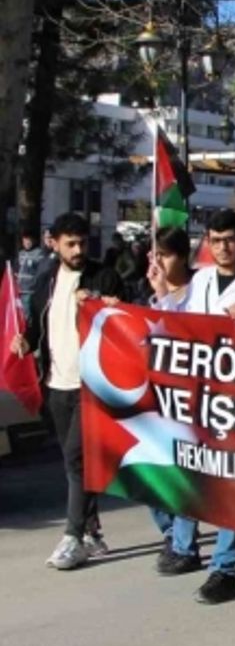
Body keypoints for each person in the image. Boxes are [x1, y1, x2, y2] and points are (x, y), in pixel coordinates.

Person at [154, 209, 235, 604]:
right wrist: (162, 294)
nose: (222, 247)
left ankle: (222, 569)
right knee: (194, 473)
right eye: (215, 240)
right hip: (201, 396)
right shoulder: (203, 280)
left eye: (229, 239)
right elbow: (179, 328)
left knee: (228, 482)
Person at [13, 212, 125, 570]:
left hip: (91, 387)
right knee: (74, 461)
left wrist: (97, 302)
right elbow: (37, 323)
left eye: (82, 243)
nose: (78, 250)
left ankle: (73, 536)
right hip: (56, 384)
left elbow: (125, 322)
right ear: (54, 243)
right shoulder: (47, 279)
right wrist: (24, 340)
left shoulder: (103, 277)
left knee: (77, 459)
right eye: (70, 243)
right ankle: (92, 530)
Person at [144, 228, 203, 575]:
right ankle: (171, 533)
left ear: (181, 257)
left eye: (164, 255)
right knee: (153, 471)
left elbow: (187, 331)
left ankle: (184, 545)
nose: (158, 263)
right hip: (158, 393)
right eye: (153, 256)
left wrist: (166, 295)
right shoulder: (147, 289)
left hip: (194, 395)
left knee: (185, 471)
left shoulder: (200, 290)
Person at [16, 227, 50, 316]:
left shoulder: (39, 254)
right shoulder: (21, 253)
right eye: (25, 239)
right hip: (19, 290)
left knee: (27, 315)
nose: (27, 242)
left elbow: (40, 272)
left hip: (30, 291)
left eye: (29, 240)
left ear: (33, 240)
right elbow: (16, 269)